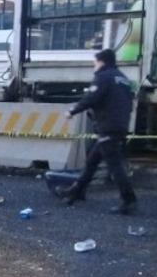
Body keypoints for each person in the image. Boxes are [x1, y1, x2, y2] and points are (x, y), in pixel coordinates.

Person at [55, 48, 137, 215]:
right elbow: (129, 103)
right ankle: (76, 191)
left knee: (114, 164)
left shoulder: (103, 77)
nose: (94, 65)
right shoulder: (123, 78)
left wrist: (72, 111)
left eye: (95, 62)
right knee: (92, 161)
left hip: (108, 126)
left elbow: (91, 98)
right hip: (119, 125)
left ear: (102, 62)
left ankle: (129, 199)